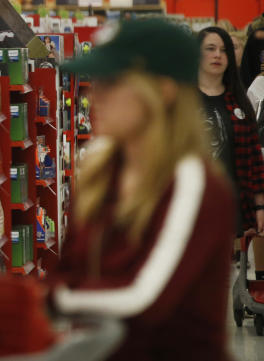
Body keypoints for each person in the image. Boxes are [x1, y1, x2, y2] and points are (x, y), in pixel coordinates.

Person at [49, 19, 236, 361]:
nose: (94, 95)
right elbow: (68, 272)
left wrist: (45, 299)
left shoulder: (196, 186)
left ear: (162, 91)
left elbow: (143, 298)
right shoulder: (99, 174)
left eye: (112, 82)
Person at [196, 27, 264, 241]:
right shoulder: (181, 101)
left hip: (233, 207)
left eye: (224, 50)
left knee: (227, 270)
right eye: (210, 48)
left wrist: (260, 205)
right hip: (191, 205)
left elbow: (254, 157)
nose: (217, 54)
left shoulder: (240, 101)